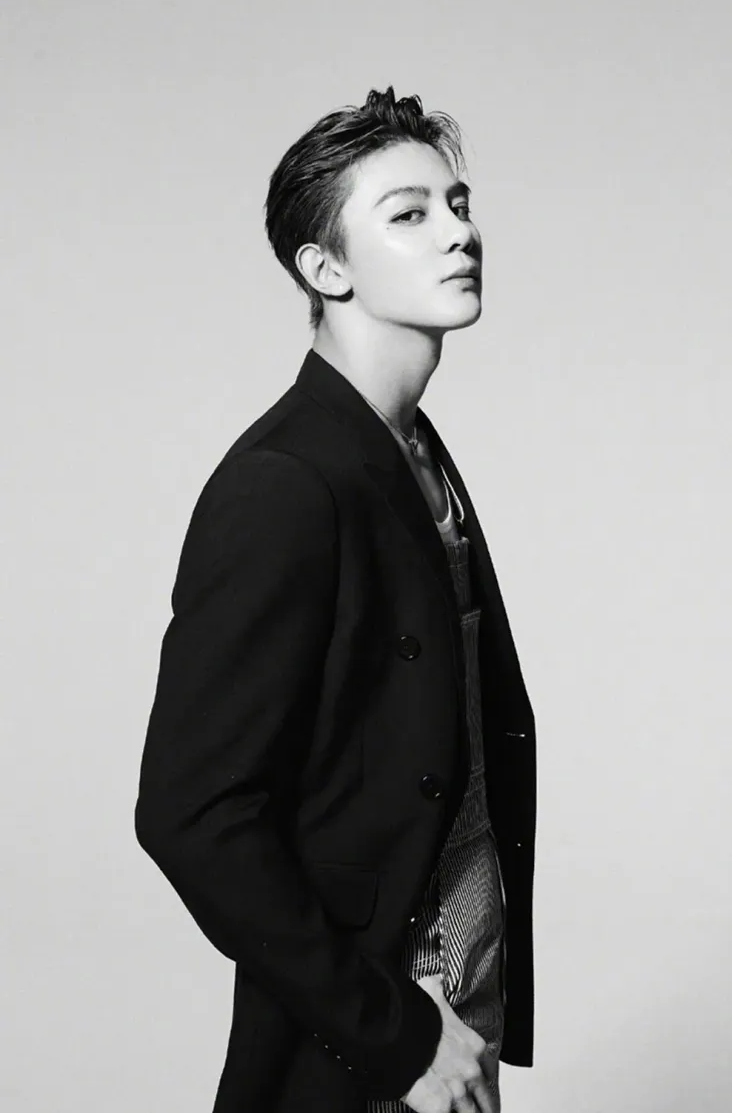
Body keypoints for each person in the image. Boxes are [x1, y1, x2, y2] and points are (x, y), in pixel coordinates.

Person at [134, 86, 536, 1113]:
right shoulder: (285, 484)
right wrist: (395, 1034)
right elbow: (192, 814)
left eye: (457, 204)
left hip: (461, 993)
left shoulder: (411, 452)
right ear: (325, 269)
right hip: (380, 1028)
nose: (458, 232)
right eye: (409, 214)